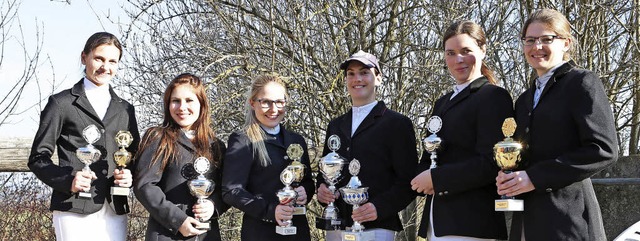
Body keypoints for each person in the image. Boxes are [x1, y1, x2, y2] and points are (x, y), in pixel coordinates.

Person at [496, 9, 618, 241]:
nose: (536, 46)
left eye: (546, 39)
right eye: (530, 40)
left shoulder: (582, 82)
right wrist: (508, 174)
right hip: (527, 221)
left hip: (569, 220)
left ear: (566, 43)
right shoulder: (523, 100)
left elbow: (603, 149)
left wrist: (535, 177)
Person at [28, 32, 140, 241]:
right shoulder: (61, 103)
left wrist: (129, 175)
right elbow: (37, 158)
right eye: (99, 58)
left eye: (112, 61)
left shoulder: (126, 109)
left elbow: (134, 155)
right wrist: (68, 180)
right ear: (84, 57)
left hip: (115, 206)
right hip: (73, 206)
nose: (105, 67)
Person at [410, 20, 512, 241]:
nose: (458, 60)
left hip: (472, 223)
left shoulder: (493, 97)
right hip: (437, 223)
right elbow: (430, 159)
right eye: (451, 53)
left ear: (483, 50)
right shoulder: (442, 103)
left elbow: (491, 162)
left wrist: (437, 178)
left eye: (466, 51)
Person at [315, 50, 419, 241]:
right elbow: (325, 173)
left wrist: (379, 207)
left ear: (378, 78)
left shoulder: (396, 123)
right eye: (351, 74)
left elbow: (409, 182)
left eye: (364, 72)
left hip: (376, 227)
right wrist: (321, 189)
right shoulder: (335, 125)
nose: (357, 79)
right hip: (336, 226)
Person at [133, 73, 228, 241]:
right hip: (166, 234)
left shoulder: (217, 146)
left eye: (189, 100)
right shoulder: (158, 138)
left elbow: (227, 189)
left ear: (202, 104)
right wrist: (178, 221)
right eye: (175, 101)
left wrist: (213, 206)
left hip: (207, 235)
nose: (182, 107)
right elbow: (145, 186)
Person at [221, 74, 314, 241]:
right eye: (266, 102)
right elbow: (232, 191)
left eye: (279, 102)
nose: (273, 109)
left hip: (298, 232)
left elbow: (307, 181)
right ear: (252, 103)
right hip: (261, 233)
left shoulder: (296, 140)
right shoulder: (242, 140)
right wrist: (271, 210)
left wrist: (305, 192)